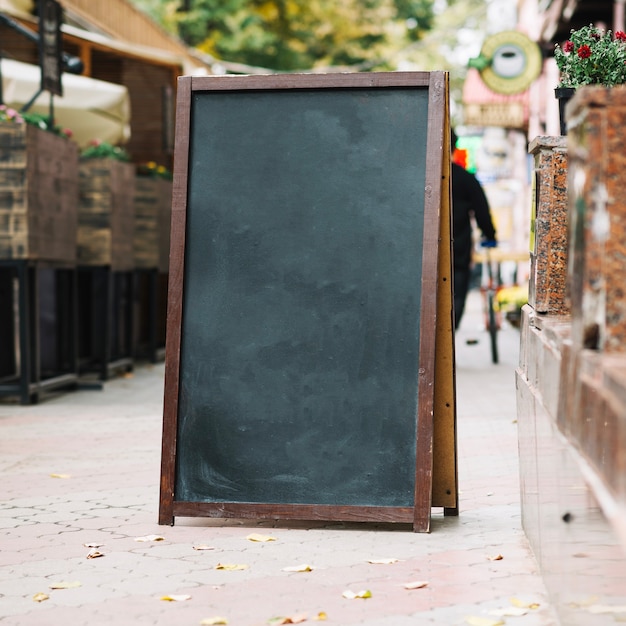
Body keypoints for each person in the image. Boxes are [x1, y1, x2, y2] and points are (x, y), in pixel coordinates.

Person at [451, 129, 497, 329]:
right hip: (457, 250)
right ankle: (449, 337)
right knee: (456, 295)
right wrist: (489, 235)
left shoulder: (420, 175)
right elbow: (482, 210)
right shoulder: (465, 179)